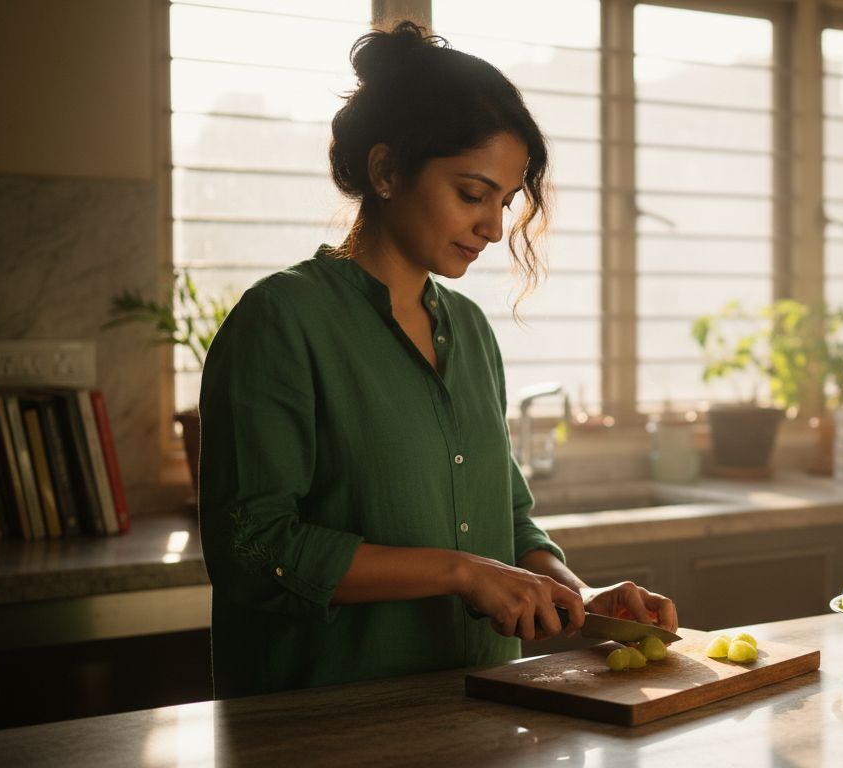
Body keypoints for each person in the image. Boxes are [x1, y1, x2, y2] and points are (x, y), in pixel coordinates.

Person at [198, 21, 677, 699]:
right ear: (387, 171)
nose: (493, 226)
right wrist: (460, 571)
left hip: (482, 710)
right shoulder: (282, 321)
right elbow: (257, 551)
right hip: (326, 727)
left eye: (506, 202)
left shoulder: (471, 331)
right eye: (472, 194)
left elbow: (503, 520)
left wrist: (582, 595)